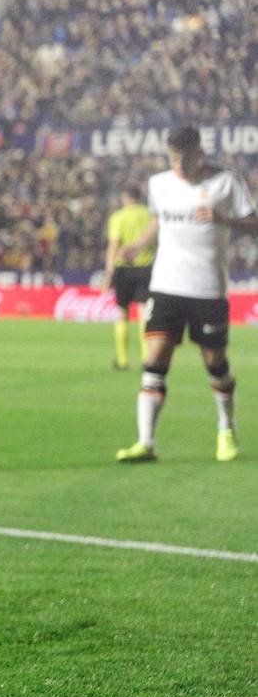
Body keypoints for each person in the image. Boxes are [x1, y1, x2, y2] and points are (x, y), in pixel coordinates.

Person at [116, 126, 258, 464]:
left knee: (215, 362)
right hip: (166, 285)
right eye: (173, 159)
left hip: (207, 289)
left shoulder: (226, 182)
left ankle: (226, 429)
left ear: (200, 153)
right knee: (154, 361)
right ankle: (146, 442)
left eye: (184, 158)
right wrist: (137, 245)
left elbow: (254, 225)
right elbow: (158, 222)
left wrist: (224, 219)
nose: (178, 166)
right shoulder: (159, 184)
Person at [103, 184, 153, 370]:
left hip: (123, 268)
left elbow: (114, 245)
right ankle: (147, 358)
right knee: (144, 313)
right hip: (146, 267)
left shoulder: (118, 217)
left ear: (125, 197)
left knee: (122, 313)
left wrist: (109, 273)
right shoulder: (149, 215)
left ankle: (122, 360)